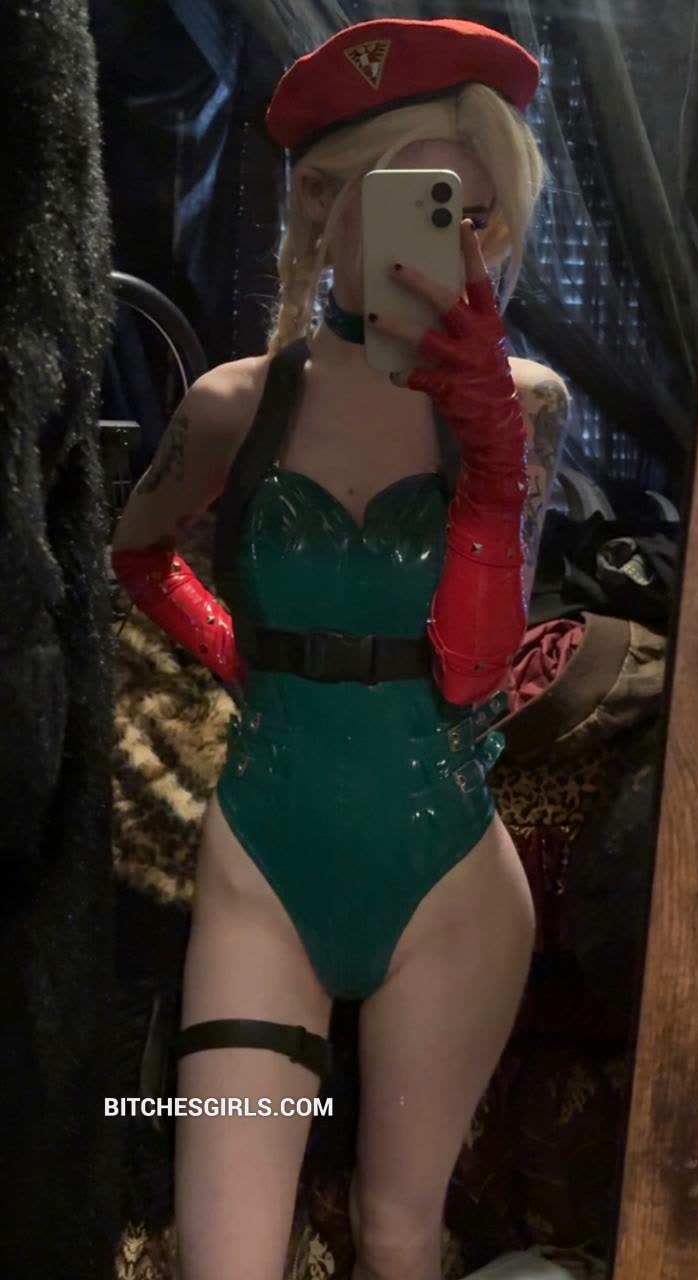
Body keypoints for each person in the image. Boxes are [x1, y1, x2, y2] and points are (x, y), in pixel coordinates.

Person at [111, 17, 570, 1280]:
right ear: (320, 202)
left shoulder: (522, 406)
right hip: (264, 861)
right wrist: (239, 653)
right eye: (420, 203)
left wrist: (489, 466)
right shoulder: (232, 406)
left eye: (478, 213)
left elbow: (474, 670)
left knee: (396, 1235)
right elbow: (136, 556)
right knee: (224, 1259)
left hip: (447, 873)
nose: (454, 243)